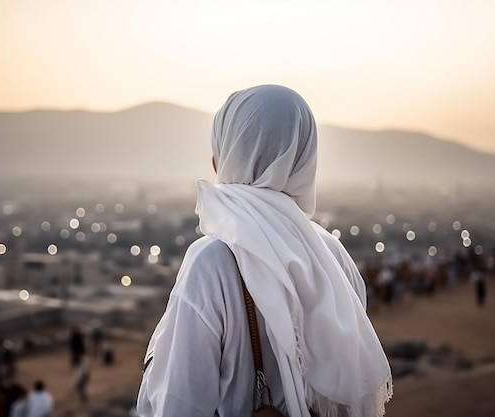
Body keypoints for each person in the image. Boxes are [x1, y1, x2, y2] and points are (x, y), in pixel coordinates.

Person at [136, 85, 392, 417]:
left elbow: (177, 404)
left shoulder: (212, 263)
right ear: (303, 161)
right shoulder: (332, 257)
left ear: (223, 158)